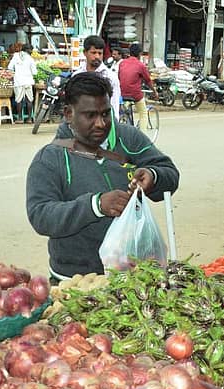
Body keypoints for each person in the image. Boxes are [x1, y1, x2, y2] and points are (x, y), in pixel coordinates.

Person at [26, 73, 179, 279]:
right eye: (90, 115)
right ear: (69, 114)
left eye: (106, 114)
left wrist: (153, 176)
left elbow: (169, 173)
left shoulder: (128, 138)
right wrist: (95, 206)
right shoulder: (50, 158)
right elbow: (41, 215)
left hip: (135, 273)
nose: (100, 123)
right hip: (76, 279)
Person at [76, 35, 121, 114]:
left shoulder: (110, 77)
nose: (97, 56)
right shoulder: (77, 75)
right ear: (85, 53)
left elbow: (114, 105)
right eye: (93, 53)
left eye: (100, 53)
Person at [117, 43, 154, 126]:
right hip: (135, 95)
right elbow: (148, 81)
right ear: (140, 54)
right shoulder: (141, 65)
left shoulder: (122, 63)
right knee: (143, 114)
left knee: (124, 109)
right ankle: (142, 137)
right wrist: (155, 92)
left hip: (122, 94)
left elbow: (119, 77)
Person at [8, 42, 37, 123]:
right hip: (28, 81)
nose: (31, 51)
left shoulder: (15, 56)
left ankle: (20, 118)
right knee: (29, 100)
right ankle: (29, 119)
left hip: (18, 81)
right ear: (27, 50)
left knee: (19, 100)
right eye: (31, 50)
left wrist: (15, 73)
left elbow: (10, 67)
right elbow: (34, 72)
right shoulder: (30, 59)